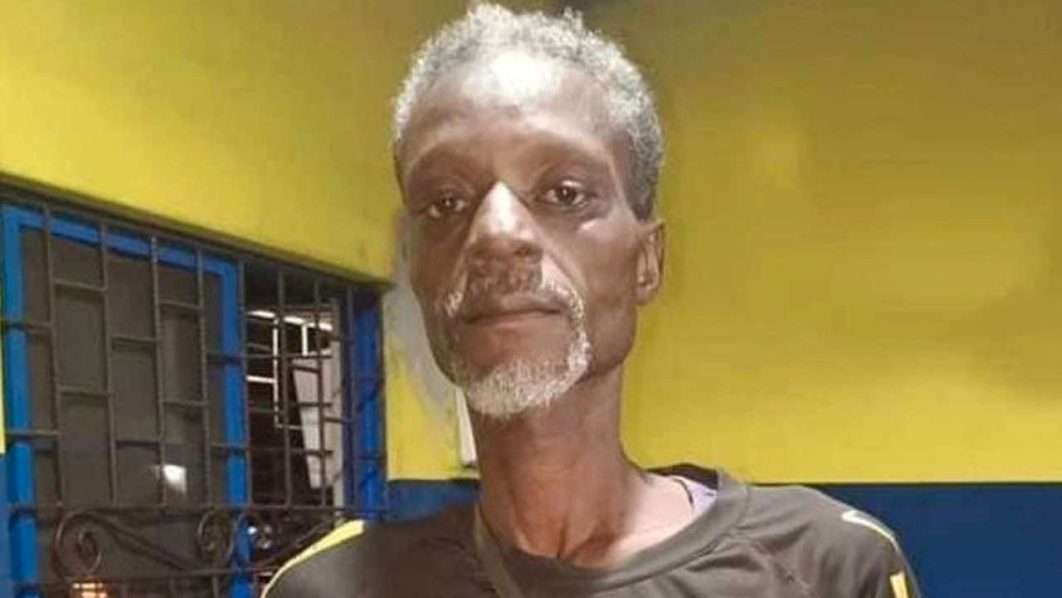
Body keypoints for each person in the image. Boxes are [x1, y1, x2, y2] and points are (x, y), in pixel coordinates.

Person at [265, 4, 921, 597]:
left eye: (564, 193)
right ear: (416, 268)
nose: (496, 234)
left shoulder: (824, 568)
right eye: (445, 203)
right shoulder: (332, 588)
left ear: (646, 261)